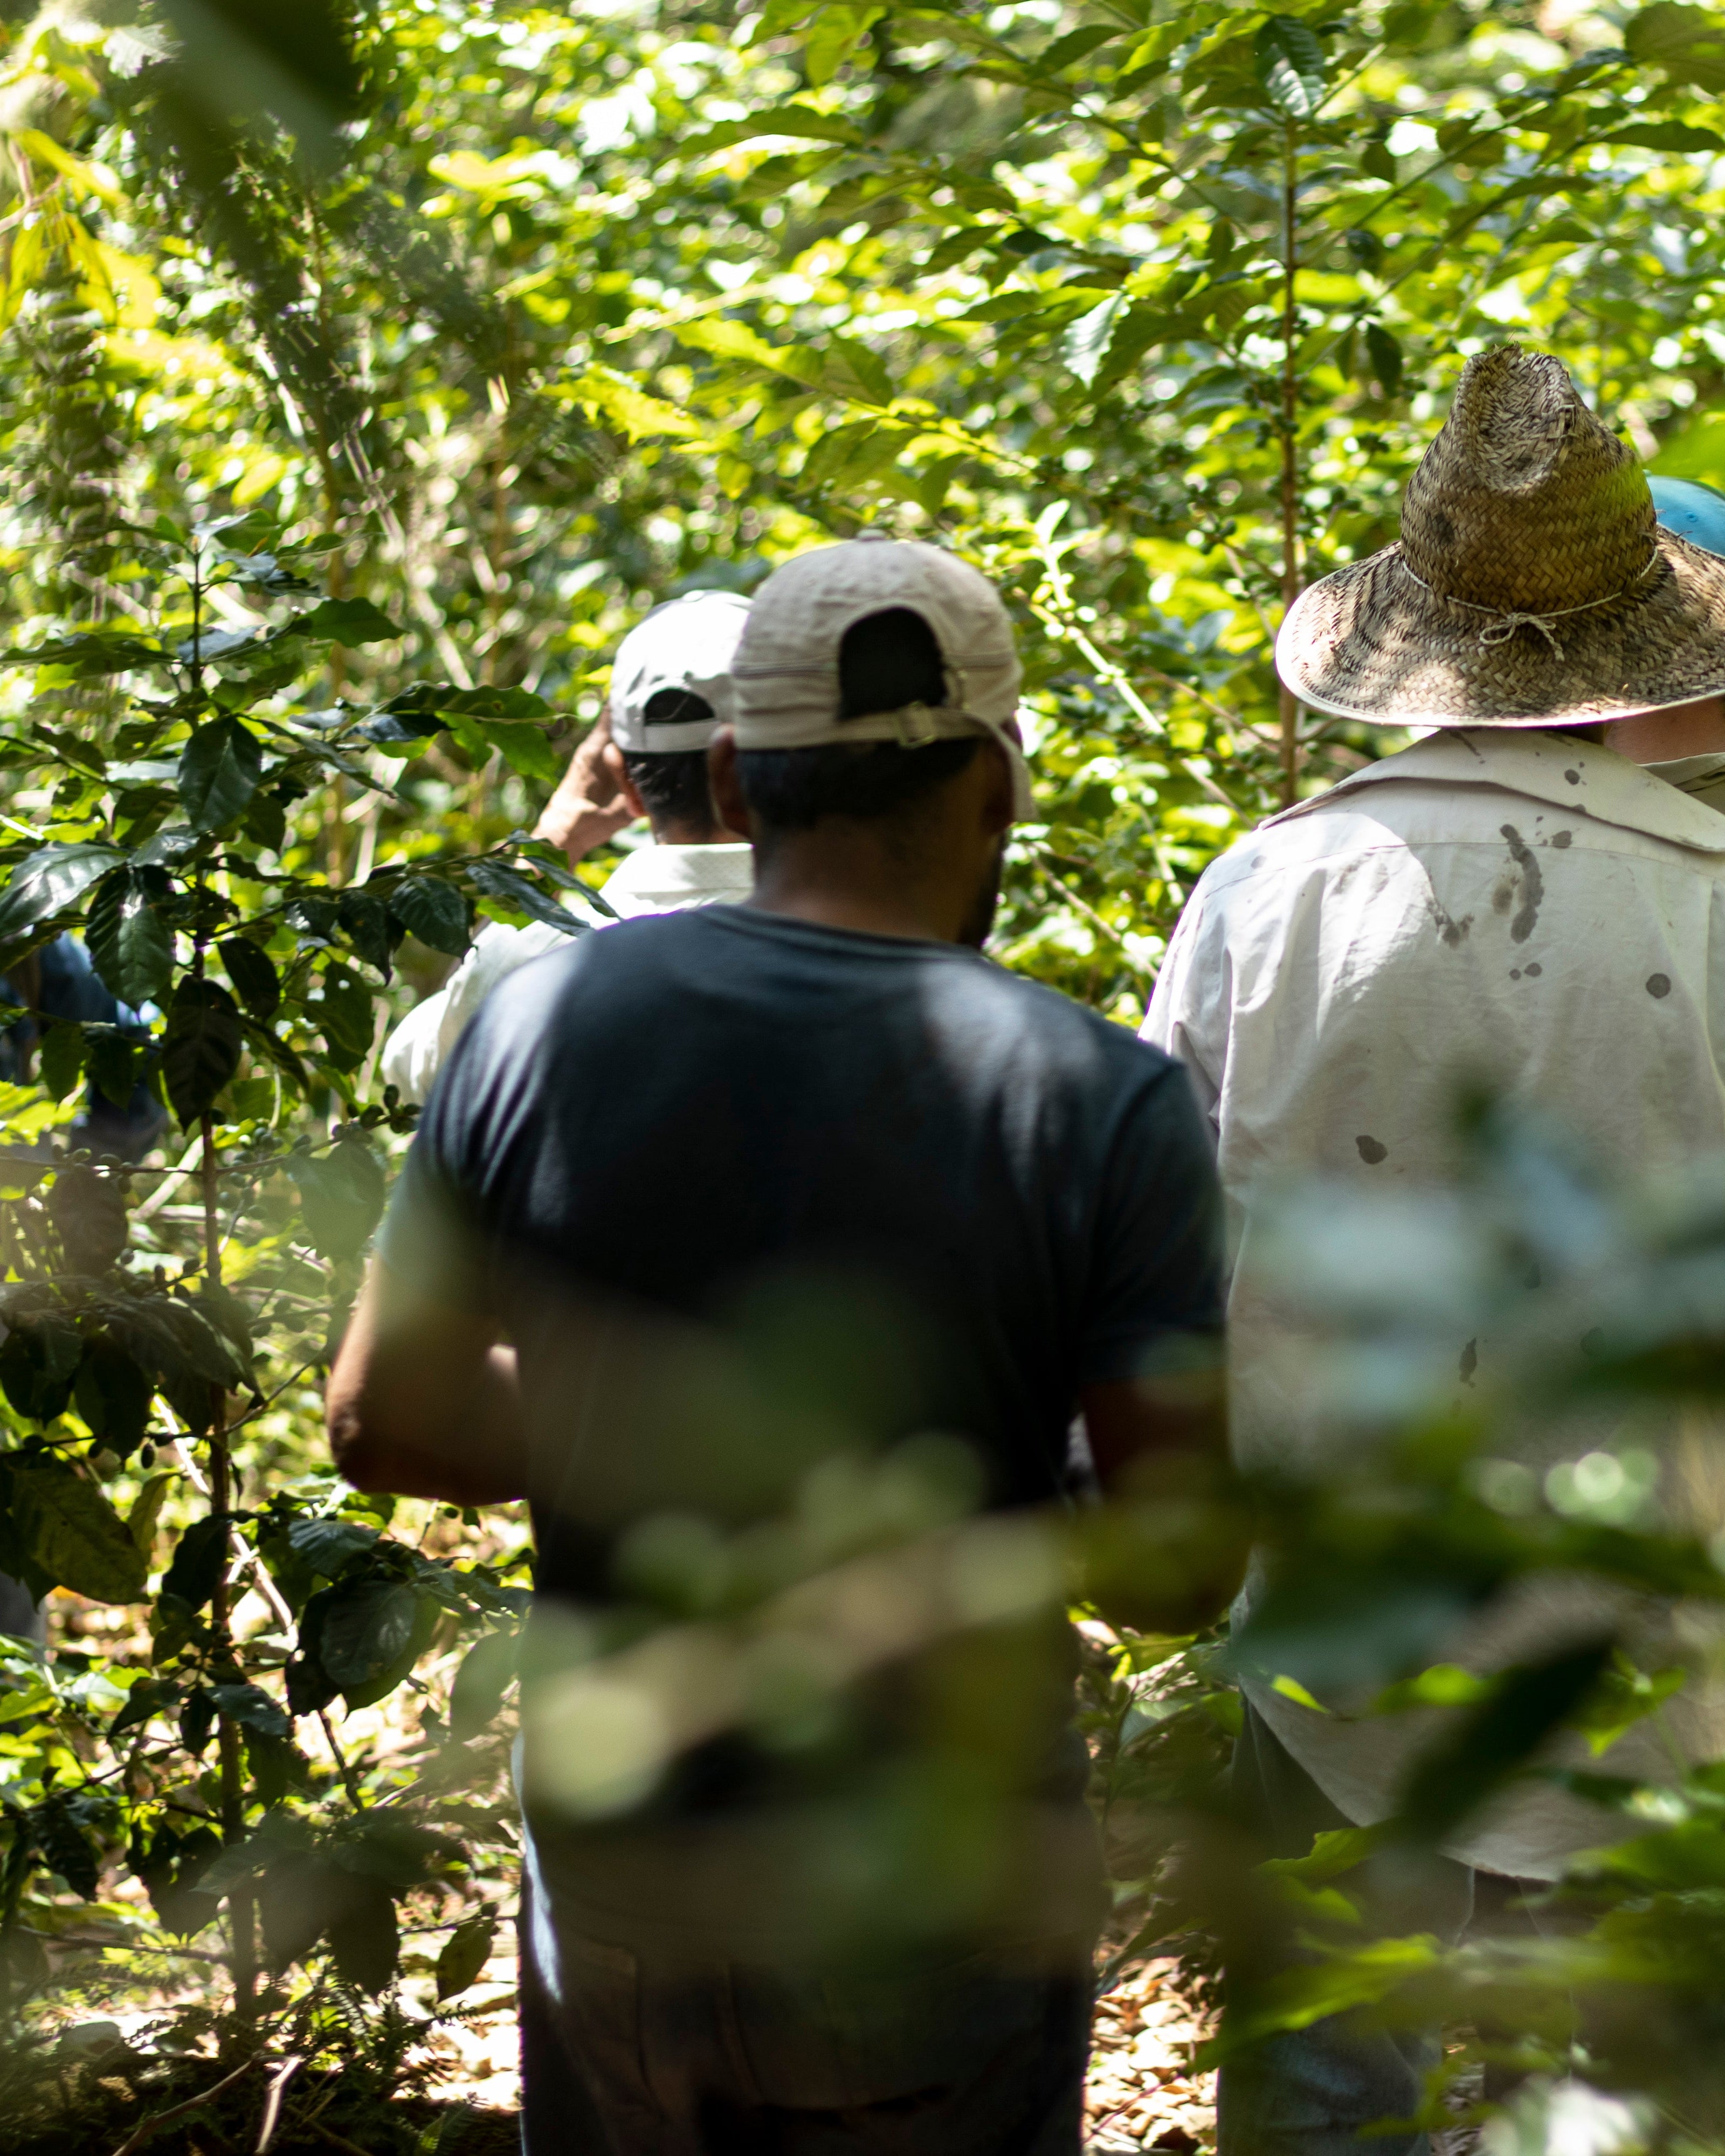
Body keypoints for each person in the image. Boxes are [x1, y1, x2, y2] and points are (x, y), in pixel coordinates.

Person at [328, 535, 1230, 2154]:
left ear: (736, 779)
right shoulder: (1096, 1097)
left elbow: (383, 1420)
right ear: (1000, 788)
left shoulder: (535, 1017)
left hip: (624, 1872)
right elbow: (1173, 1570)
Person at [1143, 344, 1725, 2153]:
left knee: (1328, 2101)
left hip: (1338, 1640)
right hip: (1662, 1648)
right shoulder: (1710, 915)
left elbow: (1166, 1253)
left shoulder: (1269, 889)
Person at [381, 589, 754, 1102]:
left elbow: (412, 1075)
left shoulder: (535, 962)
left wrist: (551, 841)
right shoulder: (875, 933)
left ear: (625, 779)